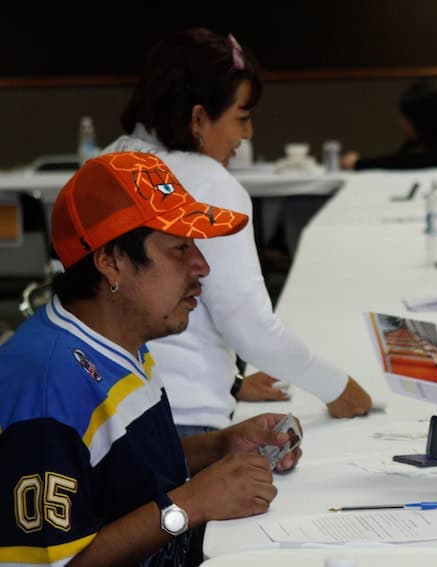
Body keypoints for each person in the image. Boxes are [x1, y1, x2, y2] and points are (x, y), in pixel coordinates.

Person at [0, 152, 302, 566]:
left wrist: (220, 446)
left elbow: (114, 471)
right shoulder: (47, 388)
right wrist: (189, 506)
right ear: (110, 262)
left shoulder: (118, 338)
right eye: (179, 248)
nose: (202, 266)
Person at [102, 28, 372, 436]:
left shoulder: (101, 166)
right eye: (242, 117)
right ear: (198, 118)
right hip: (183, 425)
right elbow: (250, 328)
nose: (248, 134)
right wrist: (337, 388)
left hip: (103, 414)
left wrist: (231, 382)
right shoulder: (207, 183)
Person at [340, 80, 437, 170]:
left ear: (425, 121)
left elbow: (402, 162)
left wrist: (359, 163)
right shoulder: (418, 143)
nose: (402, 123)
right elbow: (399, 159)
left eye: (407, 118)